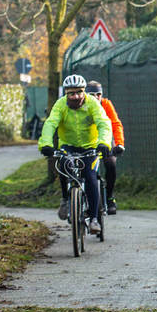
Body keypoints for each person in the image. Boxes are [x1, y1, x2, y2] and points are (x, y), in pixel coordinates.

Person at [38, 74, 112, 234]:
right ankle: (66, 199)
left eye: (79, 92)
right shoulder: (60, 105)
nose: (75, 96)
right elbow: (51, 123)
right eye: (71, 93)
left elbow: (103, 122)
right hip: (68, 146)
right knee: (63, 166)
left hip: (90, 147)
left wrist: (104, 142)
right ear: (66, 93)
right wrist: (46, 144)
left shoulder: (92, 103)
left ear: (84, 91)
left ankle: (93, 219)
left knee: (91, 178)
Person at [85, 80, 125, 215]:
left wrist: (119, 143)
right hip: (88, 140)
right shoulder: (82, 106)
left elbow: (115, 123)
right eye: (92, 94)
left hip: (105, 139)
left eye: (99, 94)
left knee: (111, 163)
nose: (96, 97)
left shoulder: (106, 104)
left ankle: (109, 197)